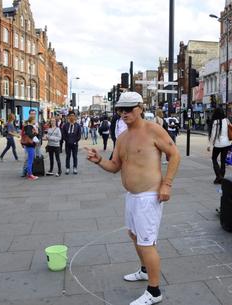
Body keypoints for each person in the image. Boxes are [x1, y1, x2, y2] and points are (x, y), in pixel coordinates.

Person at [85, 92, 181, 305]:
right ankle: (145, 270)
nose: (124, 113)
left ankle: (154, 292)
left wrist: (167, 183)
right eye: (120, 109)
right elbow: (114, 167)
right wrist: (99, 160)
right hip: (132, 196)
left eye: (128, 109)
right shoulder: (122, 137)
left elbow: (174, 154)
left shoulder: (153, 130)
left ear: (140, 107)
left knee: (146, 243)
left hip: (149, 196)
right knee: (134, 235)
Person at [207, 107, 231, 184]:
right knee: (223, 161)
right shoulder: (226, 120)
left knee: (214, 159)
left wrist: (209, 145)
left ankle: (218, 176)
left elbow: (213, 135)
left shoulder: (215, 122)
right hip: (226, 144)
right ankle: (222, 177)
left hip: (218, 144)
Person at [22, 116, 39, 181]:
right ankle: (30, 174)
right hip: (30, 145)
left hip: (28, 145)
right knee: (30, 160)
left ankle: (28, 173)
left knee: (29, 159)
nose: (35, 121)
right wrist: (35, 138)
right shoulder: (30, 127)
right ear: (32, 120)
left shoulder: (27, 126)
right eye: (34, 120)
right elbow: (29, 134)